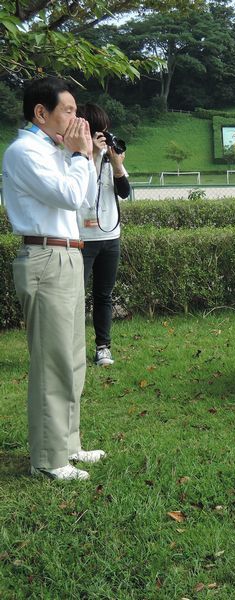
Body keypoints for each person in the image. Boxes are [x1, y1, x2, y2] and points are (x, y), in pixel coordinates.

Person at [3, 77, 103, 480]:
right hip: (46, 255)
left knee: (73, 356)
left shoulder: (55, 150)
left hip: (68, 254)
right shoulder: (23, 152)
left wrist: (88, 155)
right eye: (68, 111)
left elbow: (83, 201)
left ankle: (69, 444)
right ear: (40, 113)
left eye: (77, 111)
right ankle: (47, 459)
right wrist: (79, 156)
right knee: (52, 360)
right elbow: (67, 196)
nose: (75, 119)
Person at [77, 103, 130, 367]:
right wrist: (92, 155)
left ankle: (103, 347)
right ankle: (72, 348)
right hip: (81, 238)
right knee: (75, 295)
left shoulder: (111, 159)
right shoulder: (76, 157)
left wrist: (117, 163)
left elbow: (124, 191)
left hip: (110, 238)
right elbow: (84, 192)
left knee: (103, 295)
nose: (104, 137)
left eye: (105, 132)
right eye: (100, 132)